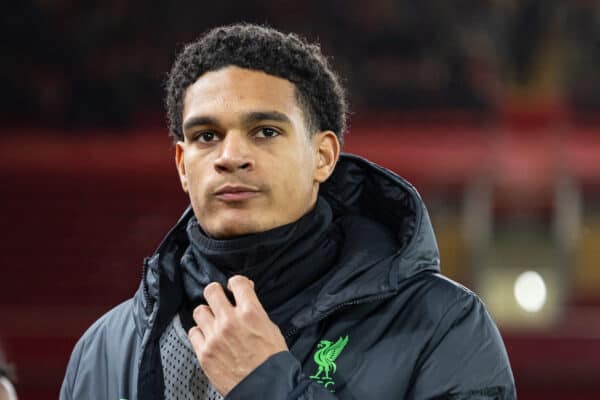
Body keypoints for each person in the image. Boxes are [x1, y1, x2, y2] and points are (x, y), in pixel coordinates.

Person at [60, 23, 515, 399]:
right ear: (183, 165)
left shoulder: (441, 324)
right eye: (206, 136)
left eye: (265, 131)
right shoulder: (105, 347)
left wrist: (267, 387)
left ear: (323, 156)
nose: (230, 156)